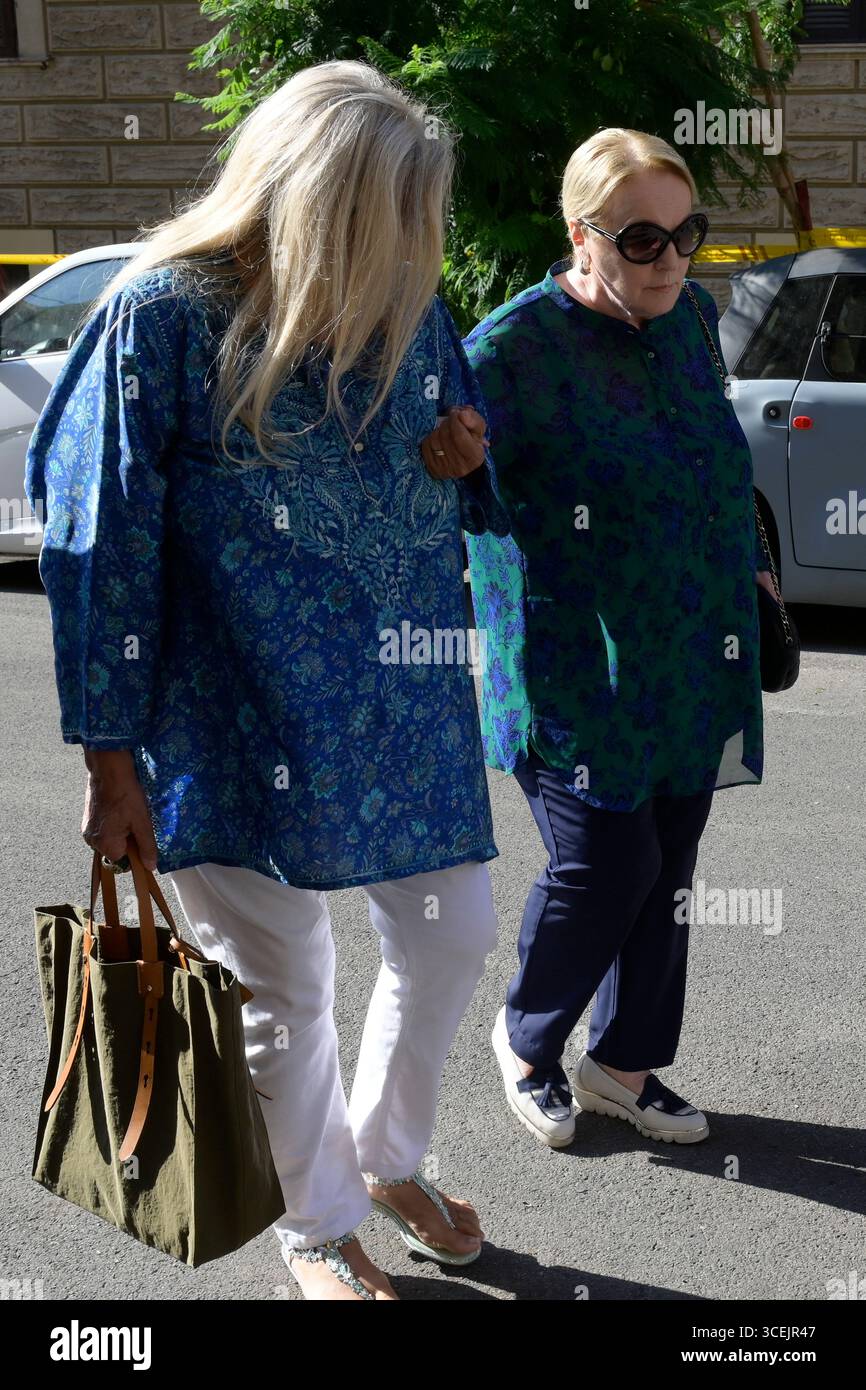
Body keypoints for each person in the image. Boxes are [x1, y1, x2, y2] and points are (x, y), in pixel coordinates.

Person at [25, 59, 512, 1301]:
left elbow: (457, 443)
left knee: (451, 928)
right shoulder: (161, 315)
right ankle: (319, 1224)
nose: (414, 246)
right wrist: (109, 754)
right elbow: (98, 540)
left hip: (400, 700)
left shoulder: (409, 304)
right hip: (228, 711)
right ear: (314, 200)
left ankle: (387, 1157)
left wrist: (467, 457)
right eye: (390, 216)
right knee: (285, 980)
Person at [463, 128, 776, 1150]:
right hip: (573, 668)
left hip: (691, 655)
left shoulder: (686, 316)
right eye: (639, 240)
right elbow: (454, 505)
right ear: (580, 234)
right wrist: (444, 459)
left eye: (684, 234)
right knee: (606, 863)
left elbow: (709, 458)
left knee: (669, 865)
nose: (669, 259)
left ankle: (622, 1062)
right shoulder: (507, 351)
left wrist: (752, 567)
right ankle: (525, 1040)